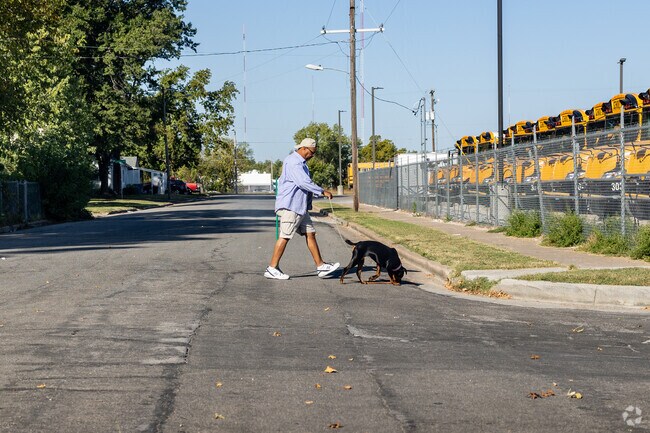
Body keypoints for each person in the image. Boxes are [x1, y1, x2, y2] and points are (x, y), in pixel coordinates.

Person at [265, 138, 340, 280]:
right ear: (304, 148)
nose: (312, 155)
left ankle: (321, 266)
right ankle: (272, 268)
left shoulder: (302, 163)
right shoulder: (294, 162)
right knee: (285, 236)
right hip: (291, 206)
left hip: (300, 207)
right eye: (312, 152)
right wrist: (322, 191)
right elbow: (303, 182)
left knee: (310, 233)